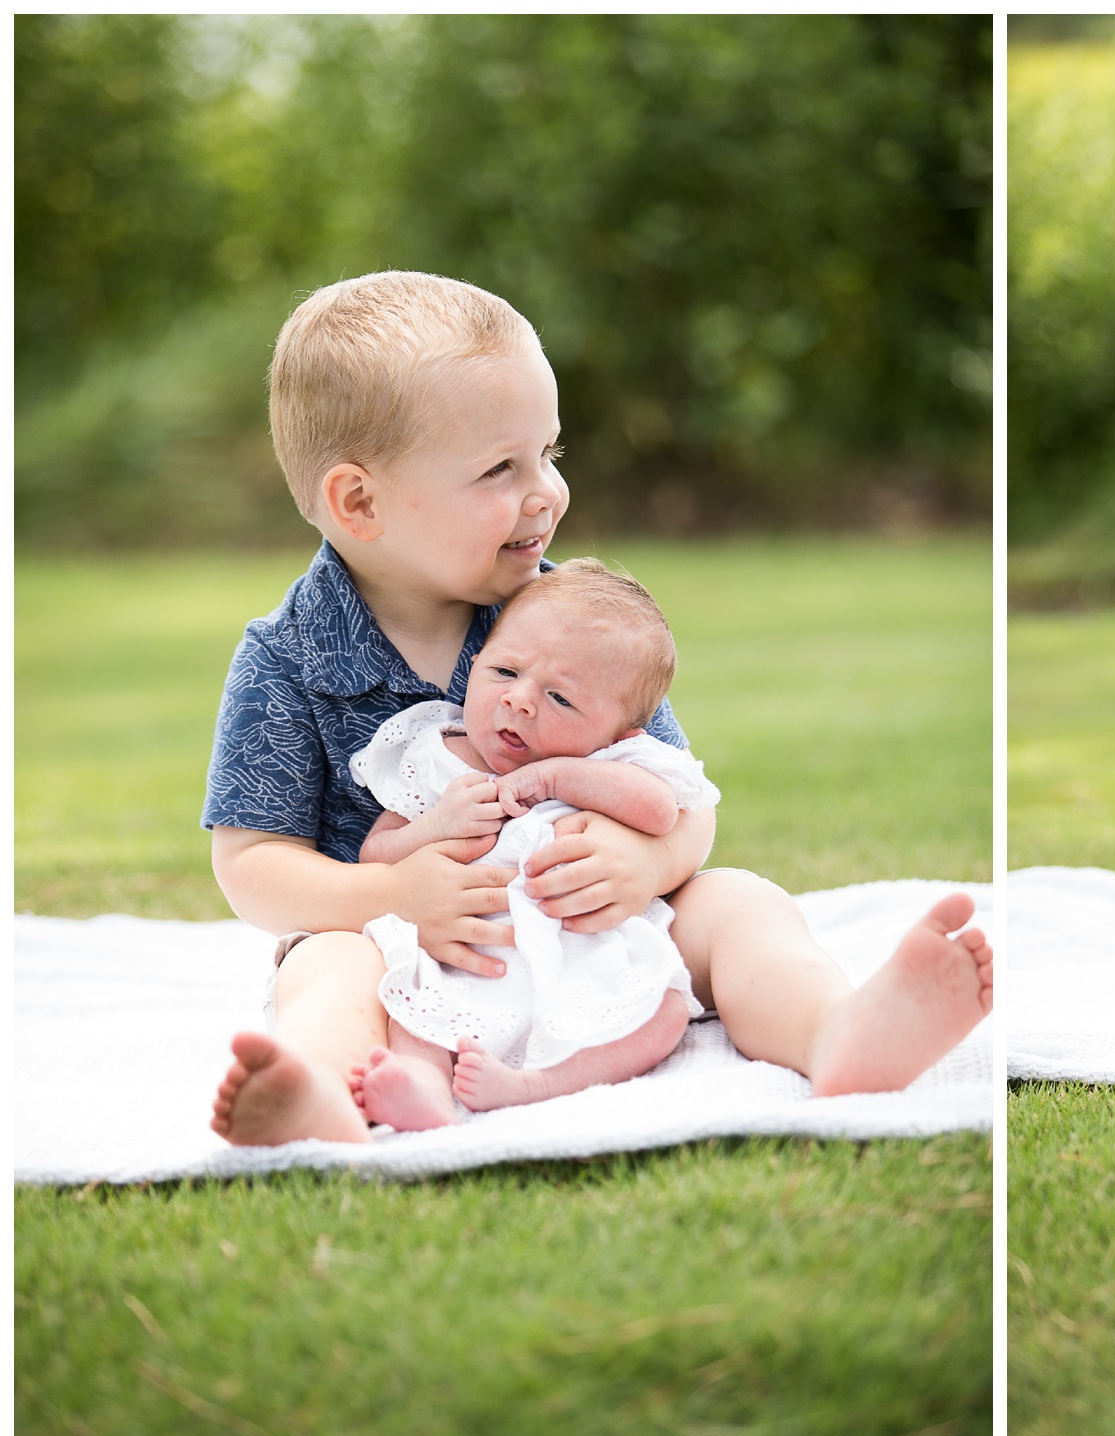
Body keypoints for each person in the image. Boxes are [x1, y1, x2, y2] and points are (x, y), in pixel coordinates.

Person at [209, 271, 992, 1147]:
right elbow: (252, 865)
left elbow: (685, 800)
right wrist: (393, 891)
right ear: (360, 502)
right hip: (410, 948)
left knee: (736, 901)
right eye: (501, 468)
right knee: (325, 965)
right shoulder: (288, 656)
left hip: (593, 930)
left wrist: (645, 861)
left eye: (550, 454)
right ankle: (320, 1092)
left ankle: (834, 1029)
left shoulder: (563, 622)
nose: (546, 491)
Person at [348, 558, 720, 1130]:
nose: (520, 700)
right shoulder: (433, 753)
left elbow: (661, 809)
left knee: (665, 1010)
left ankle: (535, 1085)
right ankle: (420, 1087)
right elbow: (376, 854)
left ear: (622, 733)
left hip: (581, 948)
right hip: (463, 949)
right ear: (472, 669)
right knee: (410, 997)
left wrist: (556, 778)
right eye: (504, 672)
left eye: (561, 699)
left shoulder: (609, 761)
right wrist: (436, 826)